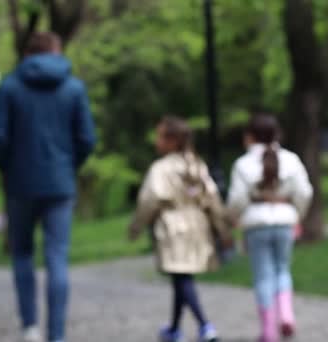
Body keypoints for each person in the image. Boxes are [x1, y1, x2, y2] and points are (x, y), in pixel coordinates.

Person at [0, 32, 96, 342]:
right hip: (60, 184)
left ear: (28, 53)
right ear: (55, 51)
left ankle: (30, 328)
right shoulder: (74, 88)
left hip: (20, 184)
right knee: (57, 257)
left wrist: (9, 166)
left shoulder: (9, 86)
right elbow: (87, 139)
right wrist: (68, 165)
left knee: (21, 254)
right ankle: (57, 335)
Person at [128, 116, 229, 342]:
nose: (156, 141)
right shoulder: (197, 165)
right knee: (180, 277)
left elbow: (149, 200)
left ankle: (205, 325)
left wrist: (136, 227)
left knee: (182, 278)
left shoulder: (161, 169)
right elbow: (212, 199)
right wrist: (222, 229)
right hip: (197, 225)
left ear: (172, 140)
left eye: (159, 136)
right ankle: (174, 328)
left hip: (173, 227)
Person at [227, 114, 313, 342]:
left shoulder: (243, 164)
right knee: (283, 269)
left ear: (250, 136)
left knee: (263, 276)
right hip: (285, 221)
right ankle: (286, 315)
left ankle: (269, 331)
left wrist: (234, 218)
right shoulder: (291, 159)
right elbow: (304, 192)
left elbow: (236, 199)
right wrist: (297, 216)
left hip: (256, 224)